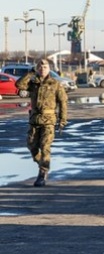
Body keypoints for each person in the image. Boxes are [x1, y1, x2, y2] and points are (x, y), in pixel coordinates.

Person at [15, 58, 68, 187]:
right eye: (40, 67)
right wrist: (31, 72)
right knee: (32, 146)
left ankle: (42, 174)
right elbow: (19, 85)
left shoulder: (55, 84)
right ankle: (43, 164)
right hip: (34, 120)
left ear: (49, 69)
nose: (42, 69)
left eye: (45, 67)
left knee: (45, 147)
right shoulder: (33, 83)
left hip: (49, 121)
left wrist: (62, 120)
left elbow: (63, 102)